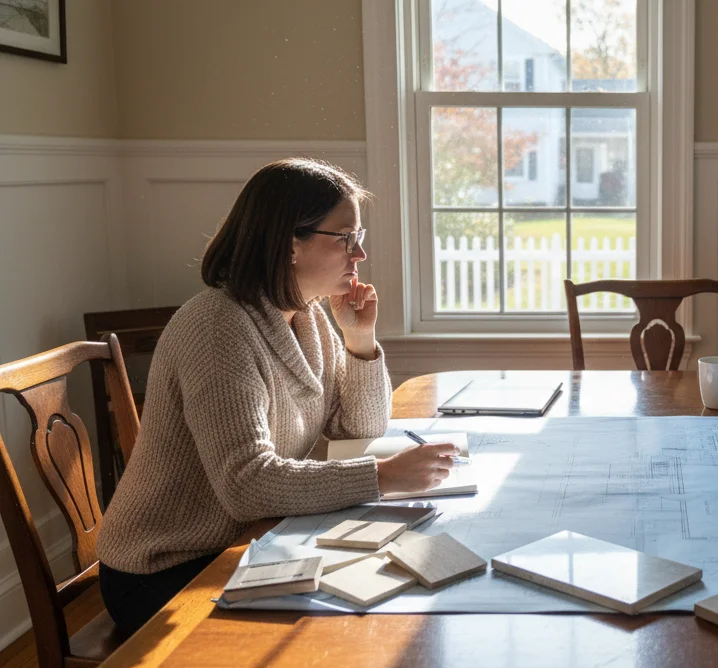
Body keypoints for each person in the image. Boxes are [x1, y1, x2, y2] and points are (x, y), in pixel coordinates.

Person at [97, 158, 458, 635]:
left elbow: (359, 429)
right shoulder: (216, 326)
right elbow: (247, 485)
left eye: (359, 238)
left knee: (385, 594)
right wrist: (384, 476)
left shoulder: (305, 317)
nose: (360, 255)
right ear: (291, 242)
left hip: (250, 541)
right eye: (345, 238)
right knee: (350, 623)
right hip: (168, 568)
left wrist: (360, 341)